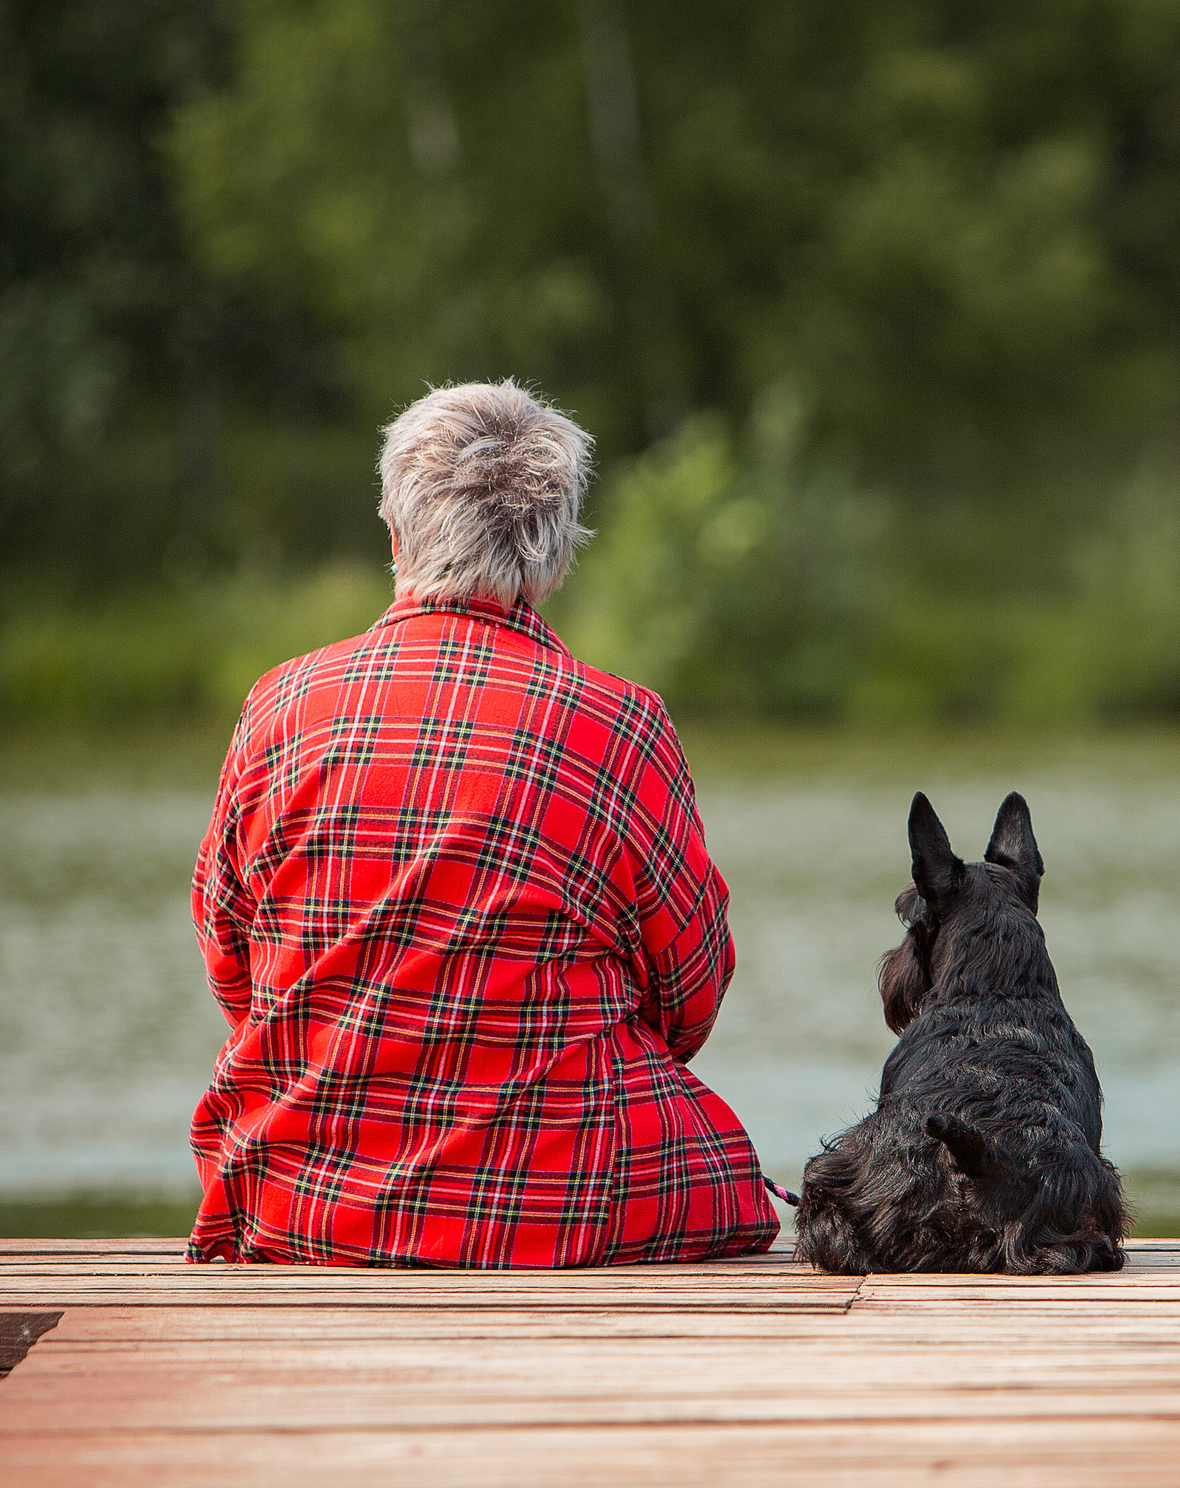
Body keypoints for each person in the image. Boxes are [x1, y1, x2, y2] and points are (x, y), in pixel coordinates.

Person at [185, 381, 779, 1266]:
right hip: (560, 1208)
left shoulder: (278, 707)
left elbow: (235, 968)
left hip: (301, 1207)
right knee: (724, 1168)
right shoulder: (619, 728)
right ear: (555, 556)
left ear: (395, 533)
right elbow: (689, 999)